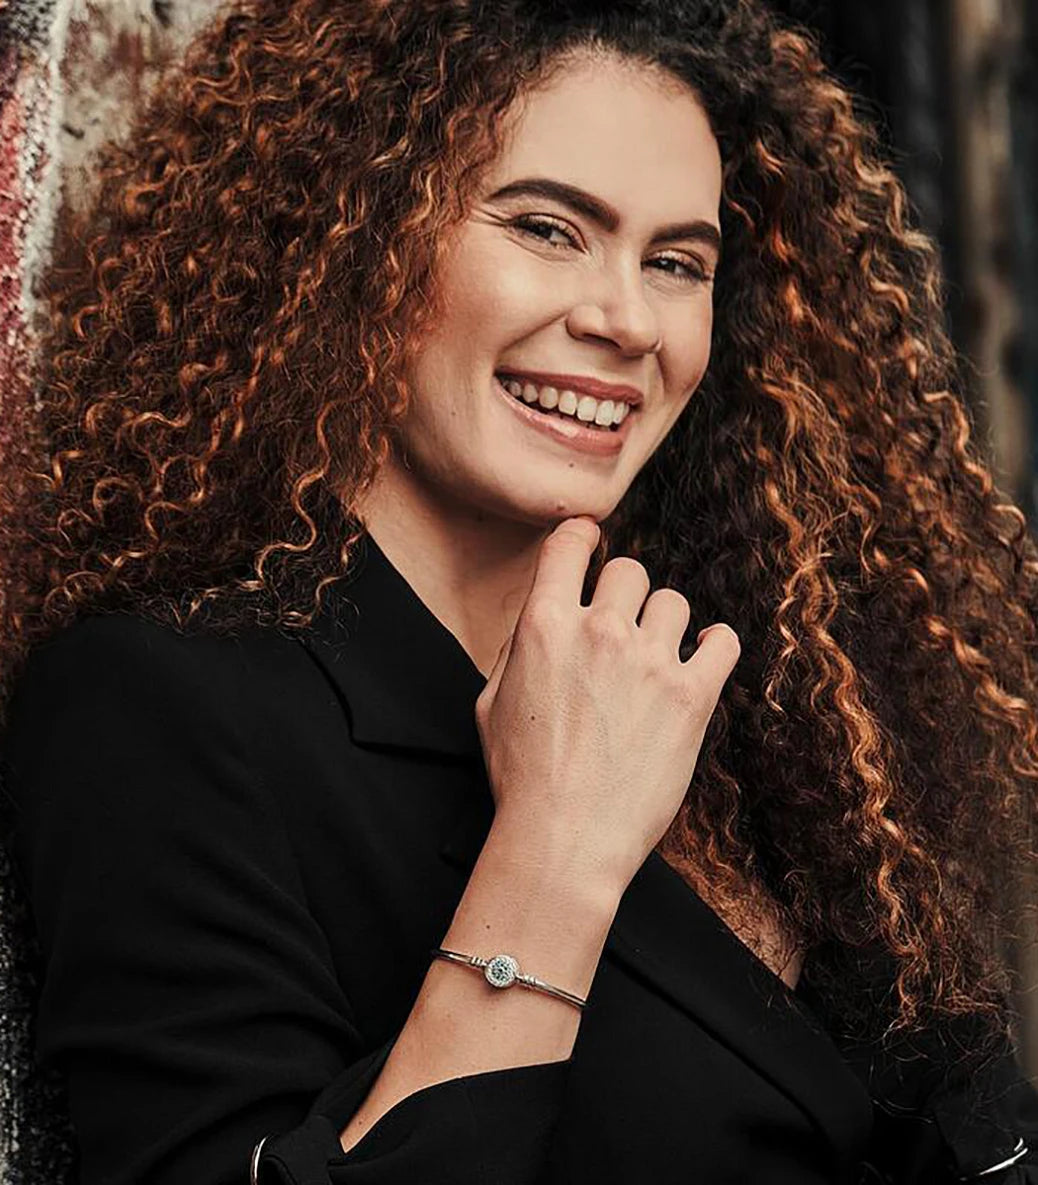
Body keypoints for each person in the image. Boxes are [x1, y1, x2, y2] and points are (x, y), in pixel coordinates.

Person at [0, 0, 1036, 1181]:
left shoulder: (763, 679)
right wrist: (552, 853)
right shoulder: (157, 708)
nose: (626, 320)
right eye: (547, 228)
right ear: (358, 234)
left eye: (676, 263)